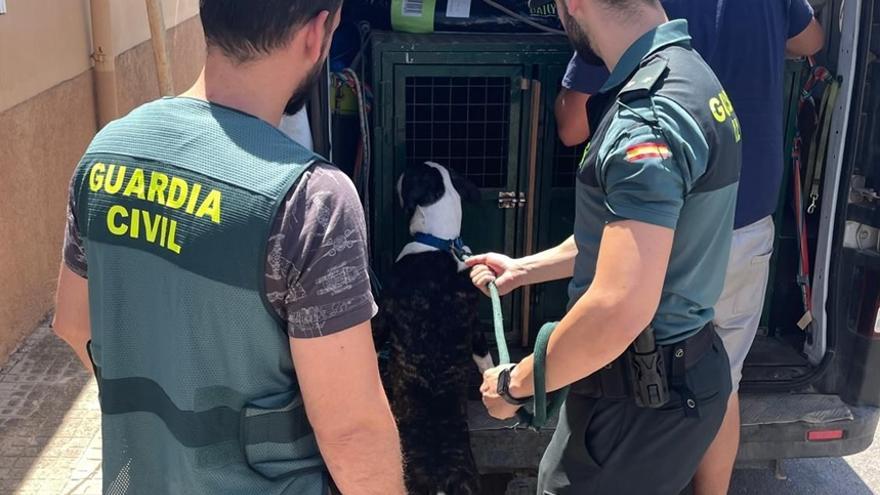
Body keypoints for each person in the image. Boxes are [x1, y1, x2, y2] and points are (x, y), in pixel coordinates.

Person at [51, 1, 405, 493]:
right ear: (318, 32)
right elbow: (350, 431)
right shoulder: (312, 201)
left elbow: (72, 324)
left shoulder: (107, 153)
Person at [469, 0, 743, 492]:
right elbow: (630, 238)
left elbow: (618, 307)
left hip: (636, 403)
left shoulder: (646, 117)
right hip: (677, 379)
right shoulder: (691, 74)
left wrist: (515, 385)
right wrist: (524, 268)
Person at [554, 2, 825, 492]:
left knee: (639, 381)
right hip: (746, 214)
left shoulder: (625, 18)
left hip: (664, 229)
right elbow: (812, 42)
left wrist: (521, 382)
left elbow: (573, 126)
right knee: (722, 379)